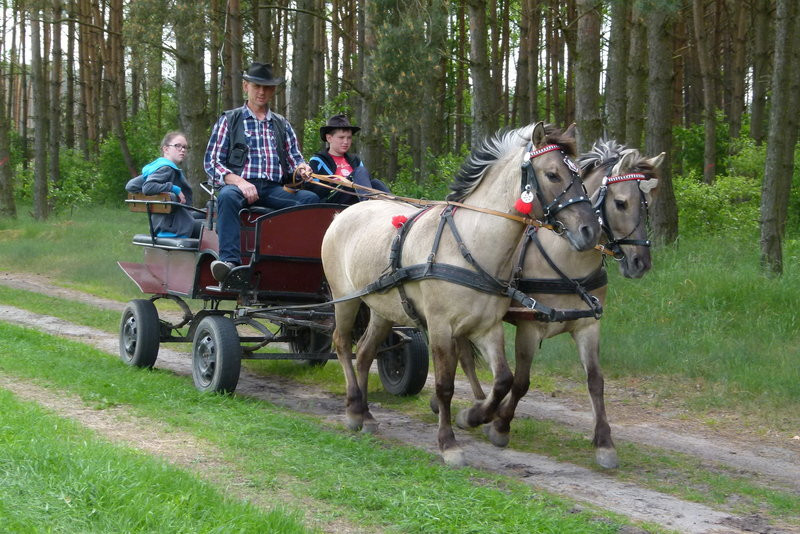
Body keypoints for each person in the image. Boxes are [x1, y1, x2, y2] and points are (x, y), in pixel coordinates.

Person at [204, 61, 319, 281]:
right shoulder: (230, 120)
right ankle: (230, 263)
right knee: (226, 197)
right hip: (240, 185)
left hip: (274, 188)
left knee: (310, 200)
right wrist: (239, 182)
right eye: (257, 86)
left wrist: (302, 168)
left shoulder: (281, 124)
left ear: (273, 91)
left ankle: (298, 261)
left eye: (267, 87)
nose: (261, 92)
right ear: (246, 86)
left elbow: (295, 158)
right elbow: (212, 162)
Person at [307, 114, 390, 204]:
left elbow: (367, 183)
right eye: (341, 137)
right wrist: (337, 183)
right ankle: (367, 204)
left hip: (355, 197)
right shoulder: (317, 160)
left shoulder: (355, 160)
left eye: (349, 138)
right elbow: (313, 191)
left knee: (376, 183)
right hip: (332, 200)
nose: (346, 142)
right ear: (329, 138)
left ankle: (398, 206)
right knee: (360, 171)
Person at [126, 131, 195, 238]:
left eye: (185, 147)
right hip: (175, 227)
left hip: (159, 225)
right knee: (212, 226)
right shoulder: (167, 168)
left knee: (203, 214)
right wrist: (173, 188)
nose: (182, 150)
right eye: (178, 146)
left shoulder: (157, 167)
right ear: (166, 149)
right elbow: (148, 187)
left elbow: (130, 185)